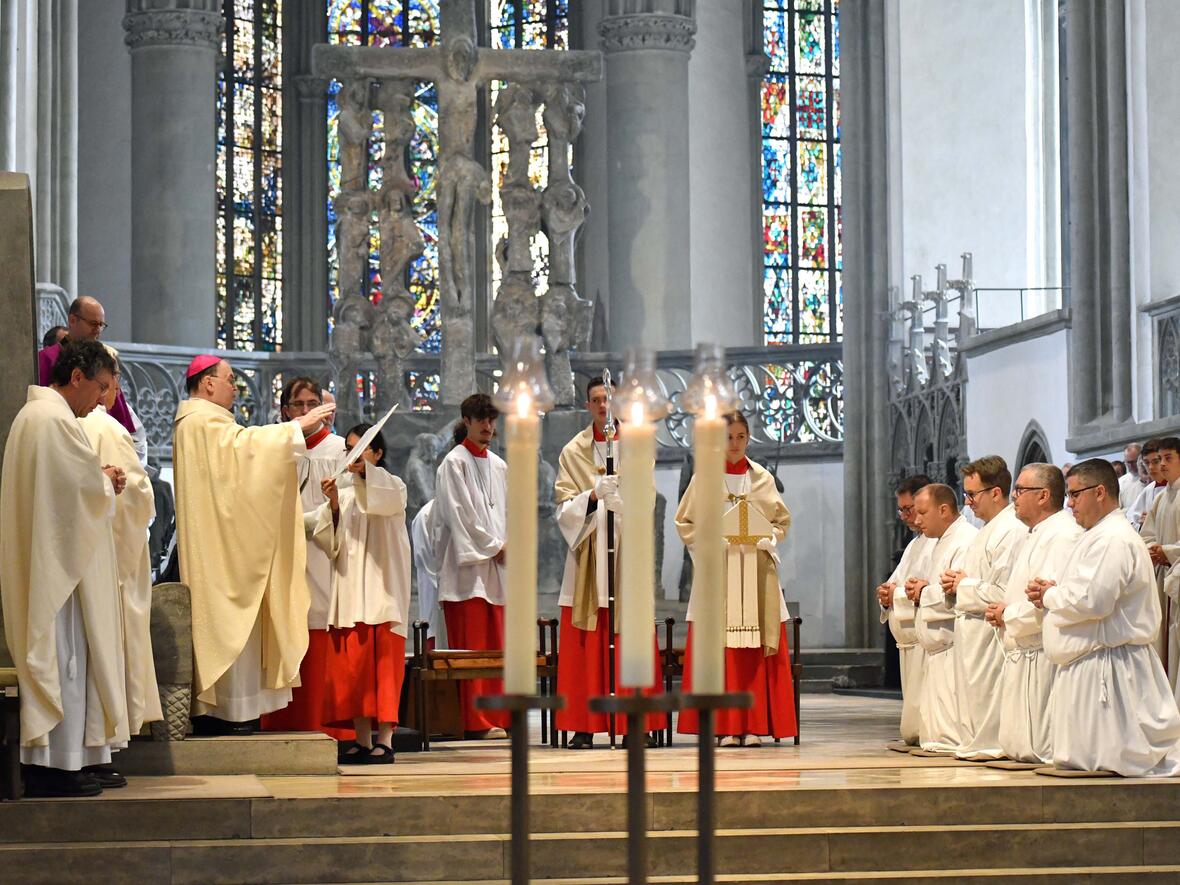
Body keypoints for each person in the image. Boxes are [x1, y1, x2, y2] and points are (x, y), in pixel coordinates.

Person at [173, 355, 335, 732]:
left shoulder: (204, 422)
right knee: (230, 625)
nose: (235, 387)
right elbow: (247, 452)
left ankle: (235, 714)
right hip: (221, 555)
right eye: (230, 379)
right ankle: (226, 714)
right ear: (208, 383)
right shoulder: (200, 421)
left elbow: (242, 461)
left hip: (223, 545)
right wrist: (295, 429)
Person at [1, 340, 130, 797]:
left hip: (58, 564)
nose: (102, 399)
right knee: (63, 664)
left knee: (70, 665)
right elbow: (71, 494)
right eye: (99, 387)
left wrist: (97, 481)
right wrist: (104, 482)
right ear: (76, 377)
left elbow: (65, 487)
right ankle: (53, 767)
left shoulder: (42, 417)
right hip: (56, 574)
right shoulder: (50, 420)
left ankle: (74, 759)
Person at [1034, 459, 1180, 776]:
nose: (1069, 503)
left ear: (1099, 492)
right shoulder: (1097, 534)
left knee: (1113, 764)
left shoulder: (1113, 537)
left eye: (1075, 494)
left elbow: (1093, 601)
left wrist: (1049, 595)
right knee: (1087, 764)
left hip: (1111, 669)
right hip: (1095, 663)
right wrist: (1056, 589)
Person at [553, 377, 666, 748]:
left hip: (626, 554)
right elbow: (562, 509)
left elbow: (648, 499)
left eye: (609, 399)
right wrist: (591, 496)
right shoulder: (573, 451)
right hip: (588, 557)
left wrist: (626, 504)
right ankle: (584, 726)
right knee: (586, 643)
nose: (603, 406)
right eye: (596, 400)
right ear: (588, 405)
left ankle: (638, 723)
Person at [676, 410, 797, 746]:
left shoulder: (762, 479)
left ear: (748, 438)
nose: (734, 443)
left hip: (756, 573)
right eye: (728, 437)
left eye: (741, 437)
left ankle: (754, 725)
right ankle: (725, 726)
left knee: (753, 650)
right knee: (720, 650)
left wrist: (770, 537)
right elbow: (685, 522)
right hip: (719, 573)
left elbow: (781, 522)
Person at [313, 424, 412, 764]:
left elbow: (383, 501)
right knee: (353, 669)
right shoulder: (344, 493)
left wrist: (365, 475)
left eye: (361, 448)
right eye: (349, 448)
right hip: (351, 592)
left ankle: (385, 739)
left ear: (378, 454)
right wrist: (333, 505)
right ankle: (362, 740)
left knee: (383, 670)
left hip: (382, 594)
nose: (352, 455)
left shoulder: (392, 486)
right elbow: (330, 539)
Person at [79, 357, 163, 737]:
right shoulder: (108, 427)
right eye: (114, 381)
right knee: (117, 640)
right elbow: (137, 494)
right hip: (115, 556)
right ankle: (113, 732)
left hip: (87, 551)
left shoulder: (71, 423)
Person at [261, 378, 348, 738]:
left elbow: (352, 509)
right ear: (285, 411)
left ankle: (324, 727)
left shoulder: (340, 449)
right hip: (283, 557)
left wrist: (328, 512)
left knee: (320, 624)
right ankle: (283, 723)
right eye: (299, 405)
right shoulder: (273, 448)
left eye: (314, 404)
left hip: (323, 557)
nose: (308, 411)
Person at [984, 463, 1081, 764]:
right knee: (1023, 746)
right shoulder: (1036, 533)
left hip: (1042, 651)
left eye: (1020, 490)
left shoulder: (1062, 535)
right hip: (1025, 650)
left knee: (1041, 746)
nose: (1014, 496)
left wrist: (1008, 615)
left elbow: (1048, 599)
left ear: (1043, 495)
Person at [433, 393, 510, 738]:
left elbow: (507, 512)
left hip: (497, 569)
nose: (488, 427)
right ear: (466, 421)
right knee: (473, 649)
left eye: (492, 420)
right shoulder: (453, 463)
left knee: (496, 647)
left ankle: (500, 715)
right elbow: (458, 515)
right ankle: (475, 721)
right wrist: (494, 546)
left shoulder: (500, 466)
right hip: (467, 572)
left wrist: (509, 545)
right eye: (481, 420)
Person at [942, 456, 1024, 760]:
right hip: (972, 629)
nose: (967, 502)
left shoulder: (1011, 530)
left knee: (988, 694)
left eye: (972, 494)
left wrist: (961, 584)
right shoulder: (988, 529)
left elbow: (1003, 592)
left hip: (990, 632)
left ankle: (991, 744)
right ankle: (977, 743)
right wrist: (956, 581)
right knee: (973, 695)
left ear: (996, 492)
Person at [908, 483, 978, 753]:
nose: (916, 520)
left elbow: (958, 593)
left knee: (951, 733)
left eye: (922, 513)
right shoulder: (939, 541)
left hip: (952, 646)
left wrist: (923, 591)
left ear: (944, 510)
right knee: (936, 736)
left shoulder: (965, 540)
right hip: (937, 649)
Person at [876, 474, 935, 746]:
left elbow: (928, 590)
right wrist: (886, 593)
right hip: (909, 642)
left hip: (927, 639)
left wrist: (896, 594)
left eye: (908, 509)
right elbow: (898, 582)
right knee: (912, 718)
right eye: (900, 510)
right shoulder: (915, 543)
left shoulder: (937, 541)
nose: (904, 516)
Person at [37, 297, 139, 443]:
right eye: (93, 324)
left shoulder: (103, 363)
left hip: (101, 440)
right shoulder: (46, 358)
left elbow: (117, 414)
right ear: (72, 320)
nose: (97, 330)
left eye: (101, 325)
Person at [1138, 436, 1180, 684]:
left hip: (1176, 576)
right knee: (1163, 643)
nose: (1162, 464)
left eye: (1168, 458)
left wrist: (1168, 552)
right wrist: (1153, 549)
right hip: (1163, 575)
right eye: (1159, 459)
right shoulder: (1160, 497)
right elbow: (1146, 535)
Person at [1128, 439, 1166, 529]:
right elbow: (1130, 521)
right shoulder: (1148, 490)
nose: (1150, 467)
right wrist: (1142, 525)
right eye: (1146, 462)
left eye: (1156, 461)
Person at [1119, 442, 1146, 510]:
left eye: (1134, 461)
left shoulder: (1151, 478)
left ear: (1141, 459)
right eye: (1128, 462)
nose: (1131, 466)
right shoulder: (1121, 482)